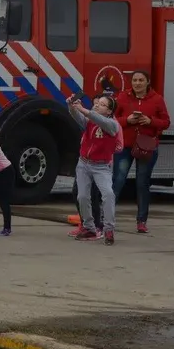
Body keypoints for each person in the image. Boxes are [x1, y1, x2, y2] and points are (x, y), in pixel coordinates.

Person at [113, 70, 171, 233]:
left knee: (142, 183)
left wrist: (150, 121)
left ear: (147, 82)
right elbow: (112, 119)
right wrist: (127, 120)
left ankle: (141, 221)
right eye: (135, 80)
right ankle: (107, 217)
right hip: (125, 145)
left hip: (146, 146)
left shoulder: (157, 99)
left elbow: (166, 122)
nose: (137, 83)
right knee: (118, 179)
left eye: (141, 80)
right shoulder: (123, 97)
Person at [71, 94, 121, 245]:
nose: (98, 105)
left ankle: (109, 229)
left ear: (110, 111)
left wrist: (83, 109)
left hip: (101, 166)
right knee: (83, 196)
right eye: (97, 102)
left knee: (108, 194)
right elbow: (77, 116)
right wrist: (72, 106)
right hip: (84, 163)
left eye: (103, 104)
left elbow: (98, 119)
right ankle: (89, 227)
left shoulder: (112, 124)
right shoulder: (90, 120)